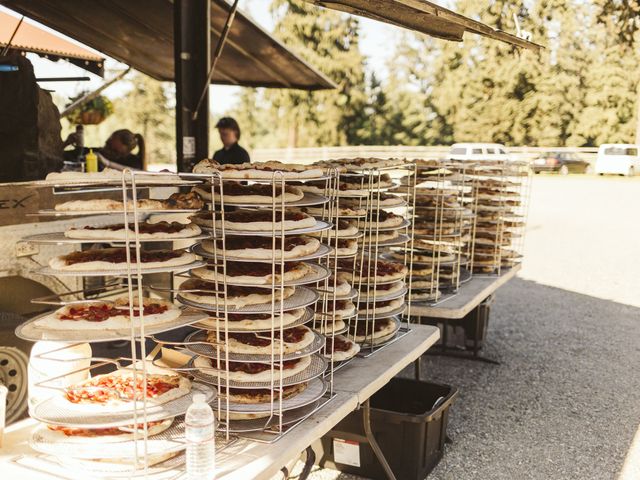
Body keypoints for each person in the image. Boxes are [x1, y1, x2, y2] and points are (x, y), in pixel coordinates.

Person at [63, 128, 146, 170]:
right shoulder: (93, 153)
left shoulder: (133, 162)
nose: (108, 151)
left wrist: (107, 163)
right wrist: (66, 143)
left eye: (114, 151)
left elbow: (137, 174)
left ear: (126, 154)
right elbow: (57, 156)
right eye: (108, 145)